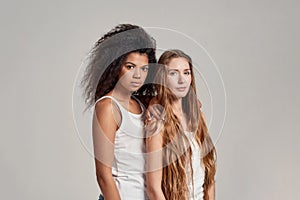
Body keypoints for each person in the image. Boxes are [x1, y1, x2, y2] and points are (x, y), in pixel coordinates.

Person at [81, 24, 156, 200]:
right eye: (130, 67)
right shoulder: (108, 107)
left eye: (144, 68)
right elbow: (103, 175)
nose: (137, 75)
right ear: (116, 67)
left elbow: (181, 102)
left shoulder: (142, 103)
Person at [145, 49, 216, 200]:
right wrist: (154, 101)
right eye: (173, 73)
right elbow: (153, 188)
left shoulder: (198, 117)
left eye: (186, 72)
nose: (181, 80)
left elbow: (208, 178)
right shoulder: (157, 123)